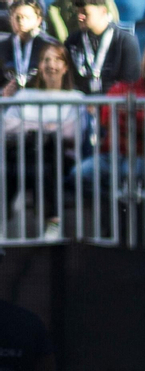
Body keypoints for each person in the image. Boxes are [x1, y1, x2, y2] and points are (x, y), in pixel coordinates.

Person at [3, 40, 81, 240]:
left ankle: (53, 223)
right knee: (10, 165)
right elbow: (6, 125)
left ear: (65, 67)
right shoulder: (26, 94)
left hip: (58, 157)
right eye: (46, 60)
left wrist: (29, 126)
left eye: (57, 60)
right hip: (24, 153)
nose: (51, 65)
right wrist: (44, 128)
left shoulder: (76, 97)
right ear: (40, 66)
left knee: (45, 160)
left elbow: (70, 134)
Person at [75, 42, 145, 195]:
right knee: (77, 175)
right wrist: (141, 116)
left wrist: (126, 113)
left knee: (130, 176)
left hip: (140, 157)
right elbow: (106, 119)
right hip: (109, 156)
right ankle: (115, 197)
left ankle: (118, 200)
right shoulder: (120, 88)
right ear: (142, 61)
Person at [65, 0, 137, 94]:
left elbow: (129, 84)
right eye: (78, 12)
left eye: (85, 13)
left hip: (113, 105)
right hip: (80, 105)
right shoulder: (72, 41)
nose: (79, 17)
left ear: (103, 11)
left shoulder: (125, 42)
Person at [0, 0, 56, 90]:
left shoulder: (49, 46)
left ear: (38, 20)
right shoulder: (3, 46)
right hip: (9, 101)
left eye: (27, 17)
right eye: (18, 18)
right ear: (11, 19)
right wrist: (3, 92)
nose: (22, 21)